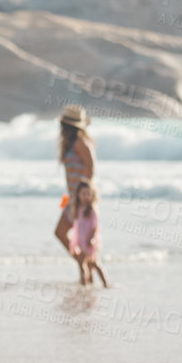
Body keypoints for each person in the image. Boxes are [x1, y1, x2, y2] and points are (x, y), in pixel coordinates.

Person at [53, 105, 95, 258]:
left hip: (81, 199)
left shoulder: (80, 143)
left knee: (67, 234)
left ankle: (84, 266)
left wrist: (83, 198)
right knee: (66, 234)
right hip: (72, 198)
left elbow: (90, 171)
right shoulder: (71, 143)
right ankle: (84, 269)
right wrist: (66, 200)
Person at [66, 179, 108, 287]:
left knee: (88, 263)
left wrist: (91, 238)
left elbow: (95, 226)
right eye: (83, 194)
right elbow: (77, 226)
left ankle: (101, 283)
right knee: (89, 264)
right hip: (81, 241)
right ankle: (89, 282)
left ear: (92, 195)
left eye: (88, 194)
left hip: (89, 241)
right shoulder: (79, 208)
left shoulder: (92, 210)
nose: (86, 196)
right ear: (78, 195)